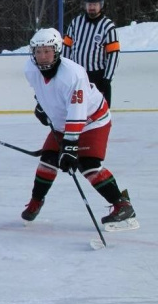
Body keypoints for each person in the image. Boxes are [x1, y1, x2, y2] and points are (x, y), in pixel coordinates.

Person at [22, 28, 138, 232]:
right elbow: (42, 91)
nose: (42, 56)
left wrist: (70, 146)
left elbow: (77, 112)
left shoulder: (73, 74)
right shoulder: (30, 69)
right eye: (38, 52)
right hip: (62, 122)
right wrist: (42, 106)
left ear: (57, 50)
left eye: (47, 51)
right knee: (48, 159)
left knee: (88, 164)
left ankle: (123, 206)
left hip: (92, 120)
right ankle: (35, 202)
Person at [62, 0, 120, 106]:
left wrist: (107, 78)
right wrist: (65, 70)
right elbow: (67, 47)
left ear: (101, 5)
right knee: (76, 109)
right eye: (89, 4)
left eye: (95, 4)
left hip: (98, 76)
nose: (91, 7)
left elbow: (114, 54)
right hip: (77, 75)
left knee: (100, 112)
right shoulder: (76, 23)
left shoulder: (108, 26)